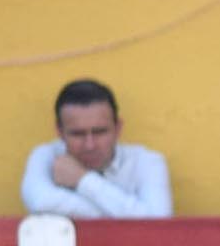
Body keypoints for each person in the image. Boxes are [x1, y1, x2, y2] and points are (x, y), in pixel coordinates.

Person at [20, 79, 171, 219]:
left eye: (99, 132)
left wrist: (82, 179)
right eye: (77, 134)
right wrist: (127, 213)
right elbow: (41, 202)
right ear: (59, 132)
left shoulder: (147, 161)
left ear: (118, 128)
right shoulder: (46, 155)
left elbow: (158, 220)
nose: (89, 145)